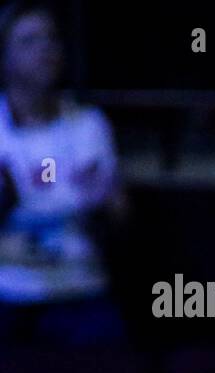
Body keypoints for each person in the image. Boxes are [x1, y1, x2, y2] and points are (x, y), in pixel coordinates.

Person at [0, 1, 124, 346]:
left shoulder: (89, 125)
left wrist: (108, 207)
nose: (46, 49)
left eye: (52, 39)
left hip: (80, 288)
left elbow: (118, 218)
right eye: (29, 41)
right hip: (8, 292)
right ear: (4, 57)